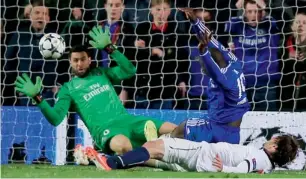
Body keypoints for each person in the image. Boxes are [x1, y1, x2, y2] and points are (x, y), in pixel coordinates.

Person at [14, 26, 177, 158]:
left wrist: (110, 48)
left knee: (175, 129)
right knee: (124, 146)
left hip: (127, 120)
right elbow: (56, 119)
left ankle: (156, 150)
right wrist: (38, 98)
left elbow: (130, 71)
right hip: (106, 131)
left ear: (89, 59)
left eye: (83, 59)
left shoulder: (101, 73)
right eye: (75, 60)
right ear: (70, 62)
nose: (79, 64)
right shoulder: (68, 89)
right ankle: (150, 151)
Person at [169, 8, 250, 144]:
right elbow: (211, 40)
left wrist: (203, 53)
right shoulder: (233, 62)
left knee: (182, 127)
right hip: (233, 134)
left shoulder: (225, 79)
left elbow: (216, 74)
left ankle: (163, 149)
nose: (202, 69)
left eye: (203, 65)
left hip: (217, 129)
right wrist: (195, 22)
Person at [86, 135, 299, 173]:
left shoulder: (259, 158)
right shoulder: (266, 164)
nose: (270, 139)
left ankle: (112, 162)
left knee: (156, 146)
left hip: (202, 154)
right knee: (155, 159)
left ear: (275, 147)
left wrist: (224, 168)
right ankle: (103, 158)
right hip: (202, 161)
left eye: (274, 140)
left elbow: (244, 168)